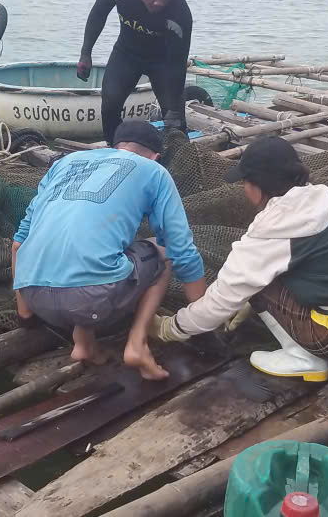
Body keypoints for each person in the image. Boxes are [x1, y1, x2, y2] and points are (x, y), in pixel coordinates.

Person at [151, 137, 328, 382]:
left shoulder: (270, 231)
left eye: (245, 183)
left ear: (258, 187)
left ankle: (303, 359)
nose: (244, 190)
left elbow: (219, 304)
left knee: (257, 285)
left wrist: (170, 327)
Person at [13, 120, 206, 380]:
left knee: (97, 253)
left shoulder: (64, 163)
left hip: (34, 296)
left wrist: (25, 314)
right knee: (162, 252)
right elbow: (181, 250)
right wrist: (205, 321)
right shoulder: (153, 171)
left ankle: (85, 344)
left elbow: (18, 243)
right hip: (89, 300)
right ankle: (137, 344)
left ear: (112, 147)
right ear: (156, 157)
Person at [78, 0, 193, 145]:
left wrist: (173, 102)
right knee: (109, 105)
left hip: (163, 63)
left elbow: (178, 63)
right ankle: (115, 149)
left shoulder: (180, 13)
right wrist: (85, 53)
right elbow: (98, 15)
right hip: (127, 54)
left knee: (174, 121)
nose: (158, 3)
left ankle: (175, 161)